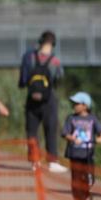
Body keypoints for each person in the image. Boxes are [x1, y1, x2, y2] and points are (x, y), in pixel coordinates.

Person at [18, 31, 67, 173]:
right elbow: (59, 78)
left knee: (32, 130)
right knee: (51, 129)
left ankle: (35, 161)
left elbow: (23, 80)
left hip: (31, 98)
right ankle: (52, 161)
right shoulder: (55, 60)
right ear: (53, 44)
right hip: (49, 99)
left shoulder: (29, 57)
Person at [62, 92, 101, 200]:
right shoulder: (71, 119)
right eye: (73, 103)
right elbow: (64, 133)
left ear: (85, 106)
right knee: (76, 185)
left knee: (87, 183)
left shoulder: (92, 119)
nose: (74, 106)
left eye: (77, 104)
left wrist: (98, 140)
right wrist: (73, 138)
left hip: (88, 156)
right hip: (75, 156)